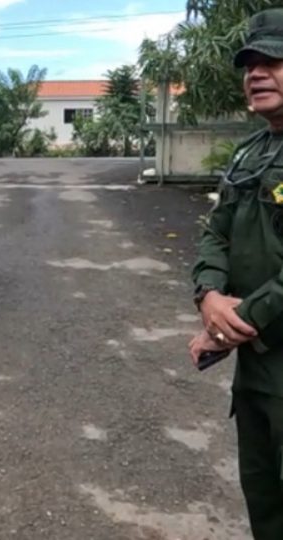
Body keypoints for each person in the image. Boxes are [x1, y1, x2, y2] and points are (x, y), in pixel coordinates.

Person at [189, 9, 283, 539]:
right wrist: (209, 295)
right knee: (264, 504)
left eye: (273, 60)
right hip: (256, 372)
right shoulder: (252, 151)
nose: (256, 72)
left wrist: (231, 321)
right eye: (250, 63)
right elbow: (215, 231)